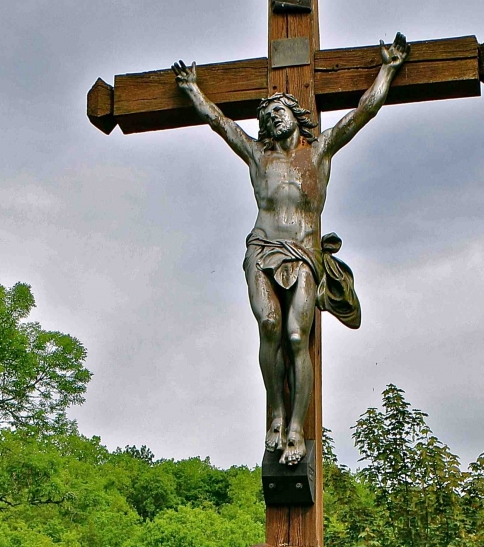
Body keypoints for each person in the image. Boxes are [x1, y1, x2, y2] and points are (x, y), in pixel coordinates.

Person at [173, 34, 409, 464]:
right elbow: (220, 123)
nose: (272, 120)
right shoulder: (257, 156)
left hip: (302, 254)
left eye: (278, 111)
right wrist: (193, 90)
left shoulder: (318, 153)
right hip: (262, 249)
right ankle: (277, 416)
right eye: (266, 116)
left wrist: (388, 69)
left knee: (297, 335)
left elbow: (363, 111)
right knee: (269, 326)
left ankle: (297, 429)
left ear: (295, 116)